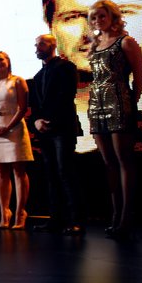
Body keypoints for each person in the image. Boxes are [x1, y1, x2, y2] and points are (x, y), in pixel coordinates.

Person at [41, 0, 142, 151]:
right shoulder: (19, 113)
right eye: (74, 16)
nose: (95, 32)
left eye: (122, 12)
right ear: (51, 28)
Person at [86, 0, 142, 240]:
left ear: (112, 16)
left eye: (101, 16)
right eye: (93, 18)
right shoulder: (95, 44)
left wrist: (135, 104)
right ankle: (114, 214)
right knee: (108, 162)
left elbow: (139, 77)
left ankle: (126, 217)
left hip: (119, 102)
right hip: (96, 105)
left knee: (124, 160)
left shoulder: (127, 42)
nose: (97, 21)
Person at [30, 34, 86, 235]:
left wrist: (50, 120)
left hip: (62, 128)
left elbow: (66, 95)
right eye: (36, 45)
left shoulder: (66, 67)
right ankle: (55, 219)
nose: (37, 47)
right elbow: (35, 105)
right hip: (45, 132)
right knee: (51, 174)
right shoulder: (37, 76)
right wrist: (36, 121)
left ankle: (76, 220)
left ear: (53, 46)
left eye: (41, 44)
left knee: (65, 172)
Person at [0, 51, 33, 230]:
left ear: (8, 61)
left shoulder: (18, 81)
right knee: (1, 172)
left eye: (1, 59)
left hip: (14, 128)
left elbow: (23, 108)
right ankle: (5, 213)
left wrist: (8, 127)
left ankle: (21, 212)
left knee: (19, 170)